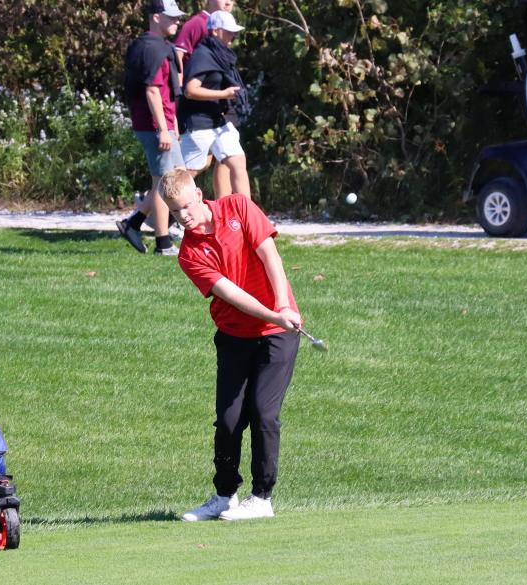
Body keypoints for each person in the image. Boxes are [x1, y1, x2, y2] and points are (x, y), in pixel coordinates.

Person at [158, 168, 301, 522]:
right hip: (235, 335)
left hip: (277, 333)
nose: (184, 217)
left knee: (263, 412)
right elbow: (232, 296)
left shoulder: (238, 207)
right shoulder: (189, 255)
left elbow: (271, 256)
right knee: (228, 420)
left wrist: (282, 308)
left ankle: (262, 497)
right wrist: (273, 311)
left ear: (199, 194)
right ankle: (224, 496)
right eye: (176, 213)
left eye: (187, 207)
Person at [117, 0, 187, 256]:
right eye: (171, 17)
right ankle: (163, 243)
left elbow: (167, 92)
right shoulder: (151, 49)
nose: (176, 22)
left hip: (165, 123)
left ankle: (132, 224)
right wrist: (163, 129)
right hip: (154, 125)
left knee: (180, 176)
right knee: (164, 183)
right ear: (156, 17)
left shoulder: (156, 46)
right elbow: (152, 91)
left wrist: (174, 124)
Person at [178, 11, 252, 198]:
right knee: (186, 174)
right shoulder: (202, 55)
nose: (233, 36)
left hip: (219, 121)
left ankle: (249, 220)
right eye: (229, 32)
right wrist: (223, 94)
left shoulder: (222, 55)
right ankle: (159, 208)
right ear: (216, 31)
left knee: (238, 161)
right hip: (200, 123)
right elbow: (190, 90)